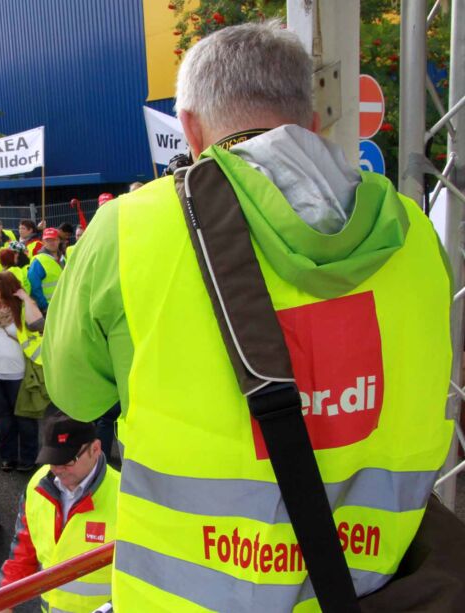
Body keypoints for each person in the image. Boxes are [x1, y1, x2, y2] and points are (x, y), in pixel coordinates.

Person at [43, 22, 454, 610]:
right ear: (311, 122)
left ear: (189, 127)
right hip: (370, 590)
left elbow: (75, 395)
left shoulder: (128, 231)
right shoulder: (416, 236)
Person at [0, 413, 118, 613]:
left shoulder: (123, 497)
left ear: (95, 449)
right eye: (53, 460)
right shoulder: (37, 486)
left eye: (67, 461)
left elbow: (142, 576)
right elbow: (22, 550)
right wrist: (3, 601)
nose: (58, 470)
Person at [0, 271, 44, 472]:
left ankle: (29, 459)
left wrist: (25, 297)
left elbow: (38, 324)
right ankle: (8, 457)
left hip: (19, 374)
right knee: (4, 420)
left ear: (5, 289)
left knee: (25, 419)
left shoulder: (20, 307)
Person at [27, 228, 64, 312]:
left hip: (63, 306)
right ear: (43, 242)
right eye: (48, 240)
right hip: (49, 309)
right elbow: (34, 287)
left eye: (54, 239)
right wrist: (44, 306)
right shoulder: (38, 261)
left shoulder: (63, 259)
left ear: (59, 241)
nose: (51, 242)